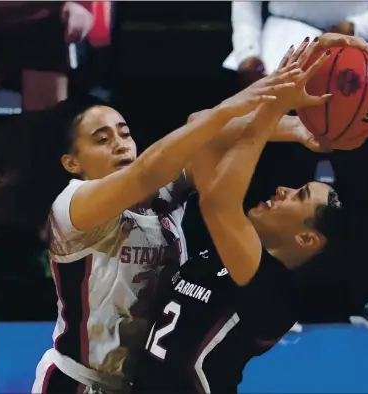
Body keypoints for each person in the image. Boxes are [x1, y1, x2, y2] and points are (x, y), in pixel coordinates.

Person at [29, 64, 305, 393]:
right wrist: (229, 109)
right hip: (79, 382)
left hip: (143, 383)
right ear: (73, 163)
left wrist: (300, 129)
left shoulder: (163, 192)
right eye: (102, 140)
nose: (120, 144)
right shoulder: (71, 204)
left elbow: (211, 136)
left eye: (125, 133)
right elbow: (150, 167)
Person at [131, 40, 344, 394]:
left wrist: (273, 109)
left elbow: (217, 204)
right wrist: (297, 130)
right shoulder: (225, 255)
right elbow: (199, 127)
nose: (282, 190)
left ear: (306, 239)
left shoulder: (274, 290)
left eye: (299, 196)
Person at [224, 1, 368, 86]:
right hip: (282, 43)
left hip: (359, 42)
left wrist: (359, 26)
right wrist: (246, 51)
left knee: (359, 157)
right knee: (284, 157)